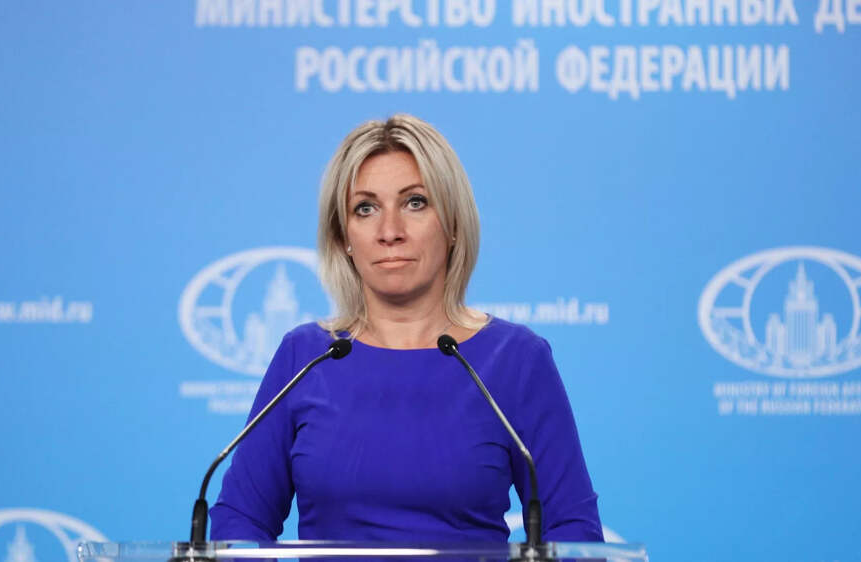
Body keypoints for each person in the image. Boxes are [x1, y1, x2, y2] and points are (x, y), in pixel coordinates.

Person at [209, 114, 603, 543]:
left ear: (453, 224)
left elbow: (572, 530)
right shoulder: (304, 357)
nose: (390, 232)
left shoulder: (515, 358)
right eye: (365, 208)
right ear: (344, 236)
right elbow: (240, 519)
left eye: (415, 202)